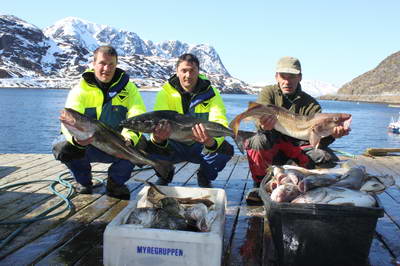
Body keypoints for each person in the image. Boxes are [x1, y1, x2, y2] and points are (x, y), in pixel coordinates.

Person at [245, 56, 350, 202]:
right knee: (257, 142)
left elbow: (317, 139)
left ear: (300, 77)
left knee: (327, 158)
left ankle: (304, 183)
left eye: (292, 76)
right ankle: (259, 184)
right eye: (283, 76)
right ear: (276, 77)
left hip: (296, 147)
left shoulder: (312, 105)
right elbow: (258, 119)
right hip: (272, 142)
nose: (287, 81)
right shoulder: (268, 93)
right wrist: (263, 126)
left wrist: (333, 135)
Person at [52, 45, 146, 200]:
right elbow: (68, 121)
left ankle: (116, 183)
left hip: (119, 144)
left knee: (141, 143)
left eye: (111, 65)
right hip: (88, 145)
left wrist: (129, 137)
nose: (106, 69)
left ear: (116, 66)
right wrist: (76, 141)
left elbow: (137, 113)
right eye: (102, 63)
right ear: (93, 64)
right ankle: (83, 182)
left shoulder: (129, 89)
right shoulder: (79, 90)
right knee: (62, 146)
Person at [149, 53, 234, 188]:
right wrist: (158, 138)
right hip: (174, 144)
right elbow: (157, 120)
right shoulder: (164, 93)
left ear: (198, 72)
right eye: (184, 71)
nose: (188, 75)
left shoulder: (212, 93)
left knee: (226, 150)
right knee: (151, 146)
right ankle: (165, 173)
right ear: (177, 72)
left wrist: (210, 142)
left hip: (200, 145)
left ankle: (205, 175)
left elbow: (220, 120)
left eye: (192, 71)